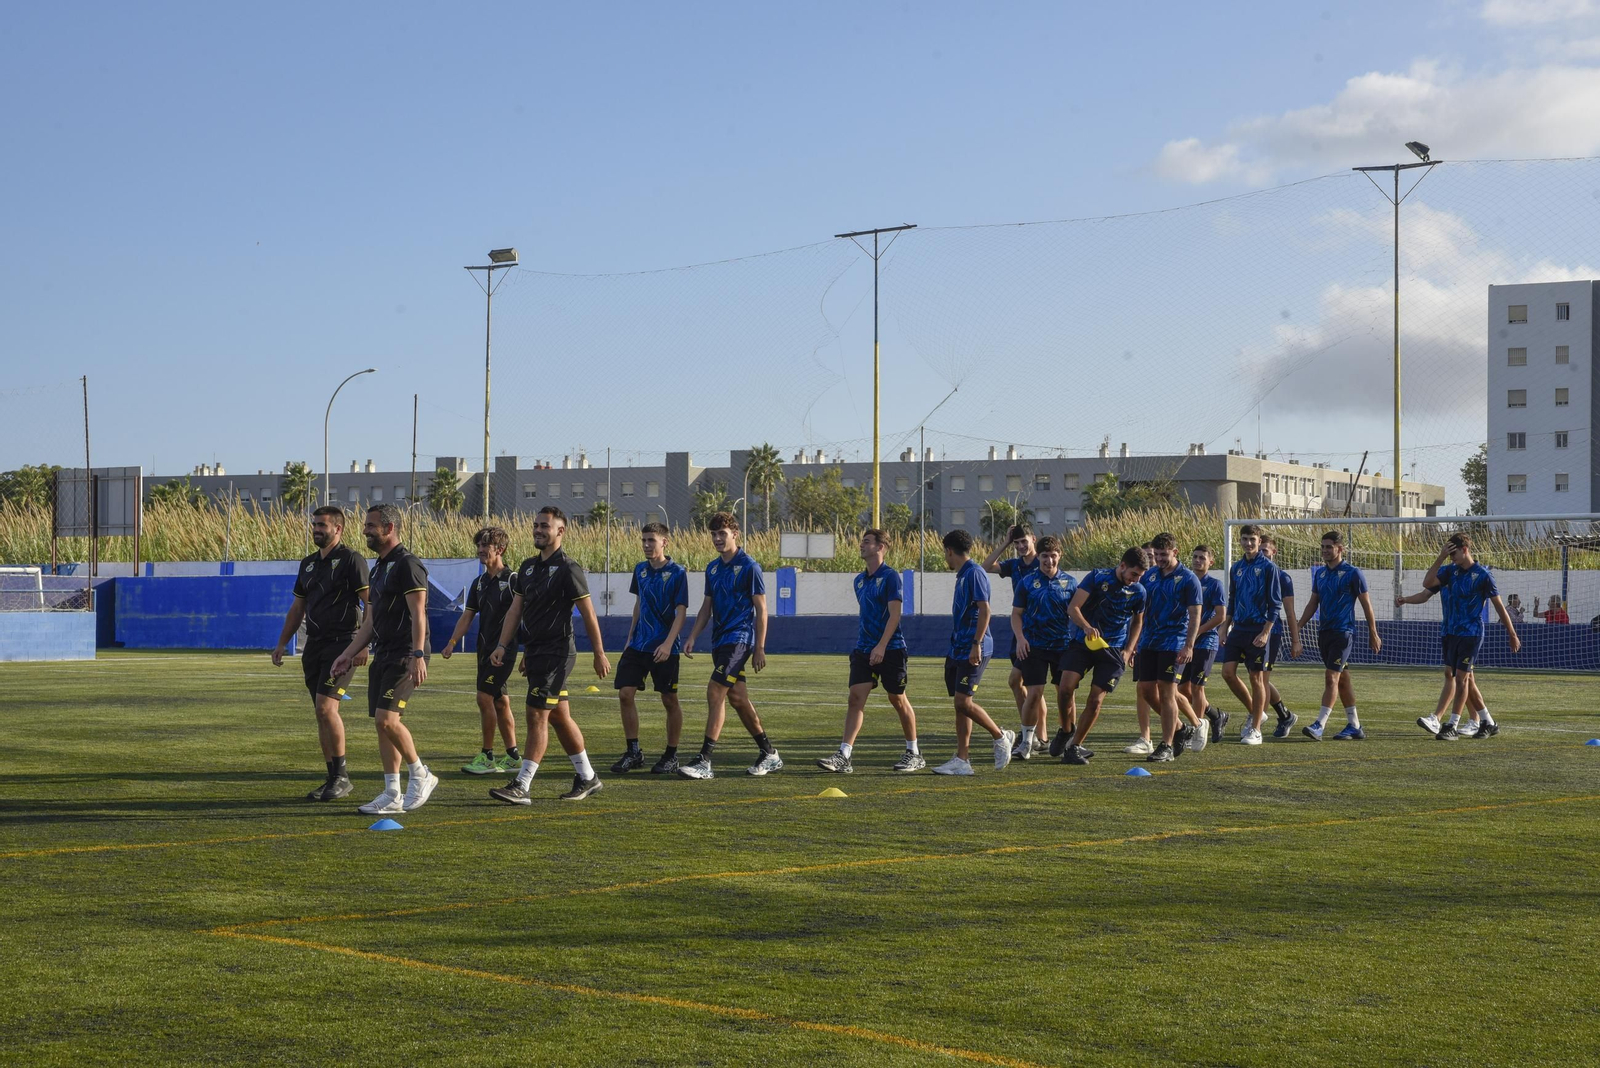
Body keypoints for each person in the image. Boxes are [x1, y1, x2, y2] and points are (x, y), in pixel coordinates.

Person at [486, 506, 611, 802]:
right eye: (536, 525)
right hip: (536, 651)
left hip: (558, 653)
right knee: (558, 716)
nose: (539, 530)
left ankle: (522, 785)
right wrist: (504, 646)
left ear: (560, 531)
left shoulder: (569, 568)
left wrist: (599, 653)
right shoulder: (528, 568)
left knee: (536, 714)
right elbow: (516, 611)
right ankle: (588, 777)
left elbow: (589, 614)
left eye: (545, 525)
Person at [330, 504, 438, 815]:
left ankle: (421, 773)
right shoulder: (378, 568)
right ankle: (392, 793)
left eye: (371, 525)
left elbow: (419, 614)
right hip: (385, 652)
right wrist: (348, 654)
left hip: (406, 652)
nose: (365, 530)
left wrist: (418, 655)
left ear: (389, 529)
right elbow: (370, 622)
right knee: (383, 724)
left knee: (387, 720)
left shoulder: (407, 564)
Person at [273, 505, 370, 802]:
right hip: (314, 646)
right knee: (320, 712)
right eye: (314, 524)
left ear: (337, 529)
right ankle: (331, 777)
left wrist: (363, 644)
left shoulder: (352, 560)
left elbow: (371, 604)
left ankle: (341, 777)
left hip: (343, 644)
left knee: (327, 708)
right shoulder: (308, 564)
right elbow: (297, 608)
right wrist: (281, 643)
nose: (316, 529)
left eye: (322, 525)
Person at [678, 512, 781, 779]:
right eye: (713, 534)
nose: (717, 539)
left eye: (722, 533)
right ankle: (769, 754)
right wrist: (692, 636)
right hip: (719, 641)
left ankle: (704, 761)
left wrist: (759, 647)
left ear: (735, 534)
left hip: (740, 639)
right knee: (737, 698)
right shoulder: (712, 568)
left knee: (715, 691)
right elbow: (706, 608)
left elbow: (762, 609)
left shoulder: (750, 567)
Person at [818, 528, 923, 773]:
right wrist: (870, 647)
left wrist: (882, 646)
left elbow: (895, 615)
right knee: (855, 699)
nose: (861, 545)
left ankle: (914, 753)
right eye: (861, 541)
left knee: (897, 699)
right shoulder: (859, 580)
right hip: (863, 649)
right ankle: (844, 755)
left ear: (881, 547)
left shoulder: (890, 577)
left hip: (891, 648)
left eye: (866, 542)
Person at [1399, 533, 1521, 740]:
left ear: (1465, 549)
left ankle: (1451, 725)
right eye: (1448, 554)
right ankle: (1487, 721)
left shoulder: (1483, 575)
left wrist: (1512, 634)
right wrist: (1440, 558)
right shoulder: (1449, 571)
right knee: (1464, 678)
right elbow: (1427, 584)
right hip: (1449, 632)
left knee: (1462, 678)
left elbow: (1499, 606)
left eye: (1453, 553)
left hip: (1470, 633)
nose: (1451, 557)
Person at [932, 529, 1016, 775]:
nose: (945, 557)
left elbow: (985, 610)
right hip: (959, 647)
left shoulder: (975, 573)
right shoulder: (963, 575)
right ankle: (962, 760)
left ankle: (1001, 736)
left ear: (949, 550)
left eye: (944, 553)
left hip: (973, 647)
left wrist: (976, 644)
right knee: (960, 704)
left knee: (963, 702)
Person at [609, 522, 689, 775]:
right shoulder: (640, 570)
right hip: (638, 645)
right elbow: (639, 603)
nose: (646, 544)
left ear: (664, 542)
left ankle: (671, 755)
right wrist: (630, 636)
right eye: (643, 540)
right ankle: (633, 752)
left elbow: (681, 612)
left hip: (665, 648)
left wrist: (667, 644)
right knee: (625, 694)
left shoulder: (677, 572)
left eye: (651, 540)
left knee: (669, 699)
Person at [440, 527, 521, 776]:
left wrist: (526, 651)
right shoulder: (479, 582)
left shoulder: (513, 579)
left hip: (503, 651)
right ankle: (513, 756)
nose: (481, 550)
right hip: (484, 650)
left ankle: (486, 756)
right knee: (500, 702)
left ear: (501, 549)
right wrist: (452, 642)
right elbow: (467, 616)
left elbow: (523, 617)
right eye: (479, 545)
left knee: (483, 698)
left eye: (486, 545)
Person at [1055, 547, 1146, 764]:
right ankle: (1066, 731)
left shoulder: (1140, 591)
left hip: (1113, 650)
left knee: (1095, 700)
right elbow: (1073, 608)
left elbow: (1138, 621)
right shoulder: (1097, 577)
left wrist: (1129, 650)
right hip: (1084, 642)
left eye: (1139, 577)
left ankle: (1074, 747)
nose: (1135, 580)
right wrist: (1086, 627)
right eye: (1133, 574)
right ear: (1122, 566)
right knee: (1065, 688)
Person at [1296, 530, 1381, 741]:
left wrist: (1373, 632)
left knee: (1331, 676)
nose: (1325, 551)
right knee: (1342, 680)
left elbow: (1366, 604)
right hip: (1324, 632)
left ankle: (1319, 725)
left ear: (1340, 549)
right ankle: (1355, 726)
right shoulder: (1321, 574)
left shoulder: (1352, 573)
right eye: (1323, 547)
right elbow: (1313, 602)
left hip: (1343, 632)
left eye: (1329, 547)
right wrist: (1297, 626)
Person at [1133, 532, 1203, 762]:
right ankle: (1181, 728)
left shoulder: (1188, 578)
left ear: (1175, 551)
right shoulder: (1150, 576)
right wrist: (1133, 643)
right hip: (1149, 642)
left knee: (1166, 692)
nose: (1159, 559)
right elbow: (1140, 612)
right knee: (1145, 691)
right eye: (1156, 555)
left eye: (1164, 554)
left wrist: (1189, 646)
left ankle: (1167, 746)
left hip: (1173, 642)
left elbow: (1195, 615)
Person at [1009, 536, 1079, 759]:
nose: (1049, 560)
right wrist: (1020, 638)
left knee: (1066, 694)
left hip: (1063, 646)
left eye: (1053, 555)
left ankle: (1071, 741)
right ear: (1038, 556)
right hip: (1034, 646)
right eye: (1045, 556)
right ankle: (1028, 743)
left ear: (1060, 555)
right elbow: (1016, 614)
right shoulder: (1027, 582)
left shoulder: (1071, 582)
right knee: (1034, 693)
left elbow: (1078, 612)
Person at [983, 525, 1045, 758]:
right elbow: (985, 567)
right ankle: (1034, 735)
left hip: (1039, 631)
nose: (1021, 546)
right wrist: (1004, 543)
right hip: (1021, 629)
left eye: (1023, 542)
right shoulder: (1014, 565)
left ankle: (1039, 736)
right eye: (1017, 543)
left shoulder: (1044, 561)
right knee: (1023, 684)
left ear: (1033, 539)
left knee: (1029, 684)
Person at [1219, 525, 1282, 745]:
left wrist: (1266, 632)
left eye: (1252, 539)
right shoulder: (1236, 567)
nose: (1248, 543)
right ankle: (1257, 713)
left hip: (1258, 629)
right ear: (1240, 540)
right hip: (1238, 629)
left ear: (1258, 540)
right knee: (1227, 673)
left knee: (1256, 678)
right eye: (1245, 539)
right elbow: (1233, 599)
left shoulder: (1268, 568)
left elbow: (1275, 604)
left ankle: (1256, 729)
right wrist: (1225, 626)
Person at [1183, 545, 1227, 748]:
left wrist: (1198, 631)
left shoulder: (1215, 585)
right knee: (1181, 689)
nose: (1197, 560)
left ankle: (1198, 730)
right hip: (1185, 642)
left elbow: (1220, 616)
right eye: (1195, 556)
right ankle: (1215, 715)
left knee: (1196, 687)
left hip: (1206, 641)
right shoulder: (1185, 581)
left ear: (1211, 562)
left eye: (1202, 557)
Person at [1259, 535, 1300, 736]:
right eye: (1259, 550)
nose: (1261, 554)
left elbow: (1290, 612)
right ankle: (1284, 715)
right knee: (1257, 678)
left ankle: (1256, 722)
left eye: (1265, 550)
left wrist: (1295, 640)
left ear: (1273, 553)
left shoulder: (1282, 577)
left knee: (1261, 678)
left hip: (1271, 633)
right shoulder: (1248, 573)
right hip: (1250, 631)